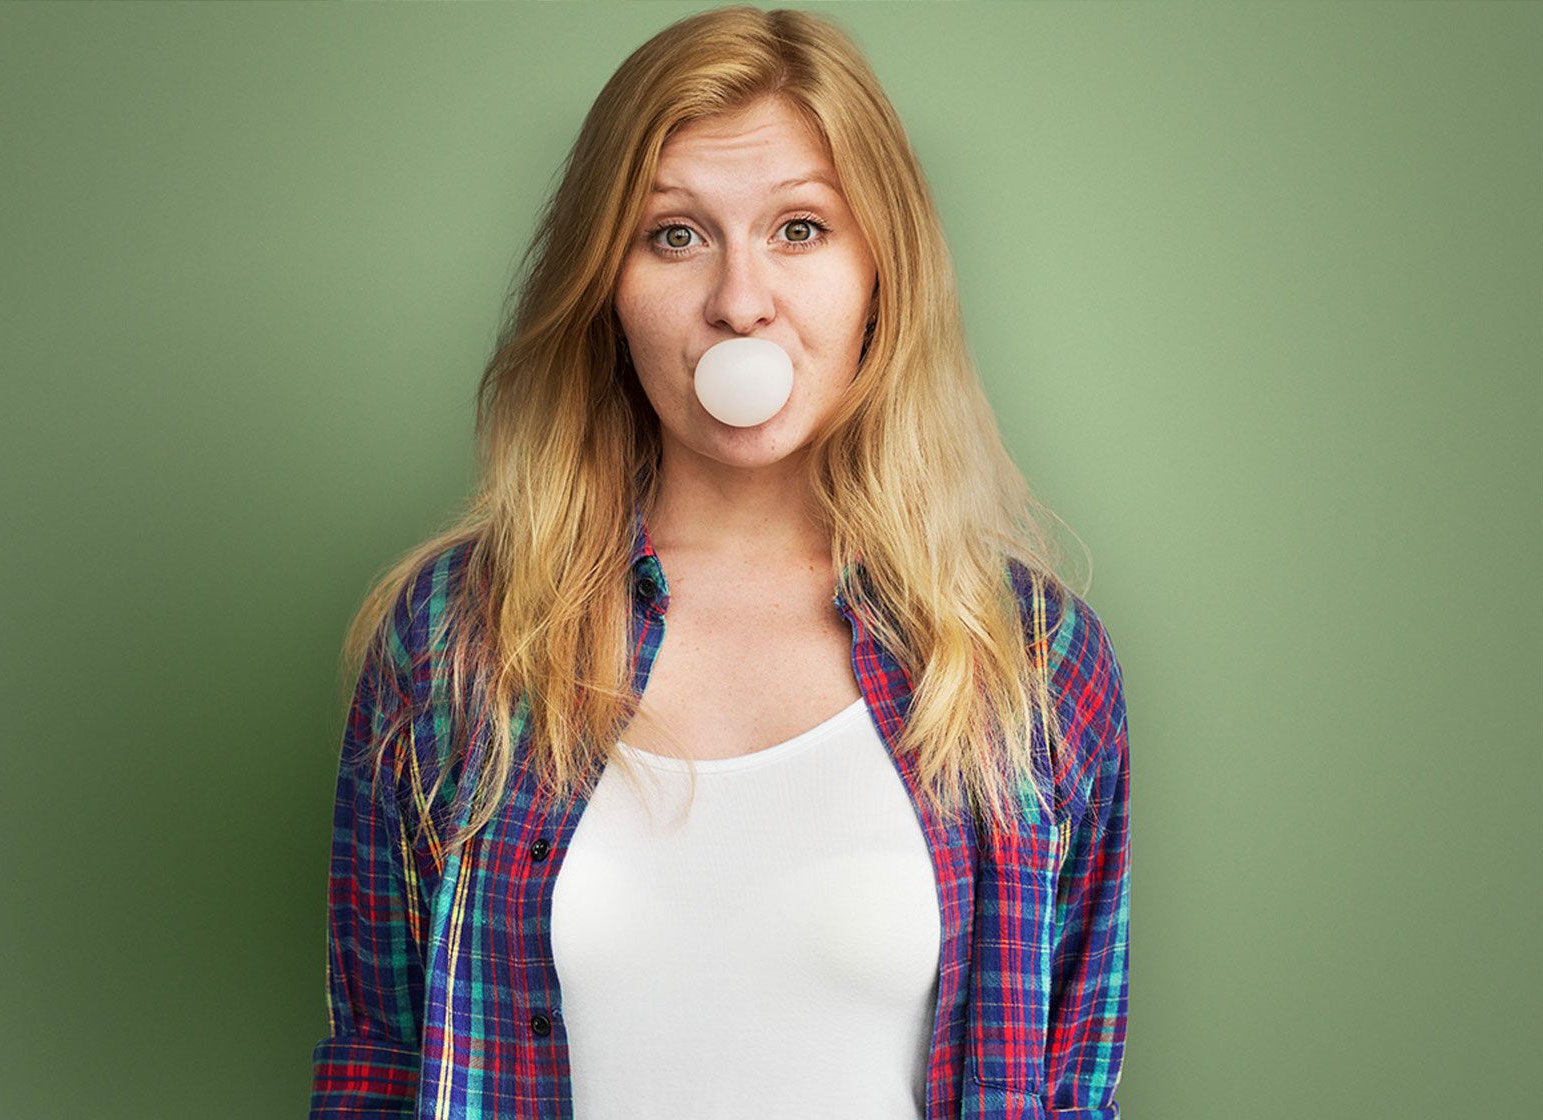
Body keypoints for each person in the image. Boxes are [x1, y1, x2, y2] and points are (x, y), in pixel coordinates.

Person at [308, 7, 1129, 1119]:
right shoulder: (456, 638)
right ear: (606, 284)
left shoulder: (1030, 663)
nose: (740, 301)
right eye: (675, 235)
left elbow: (1071, 1090)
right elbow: (374, 1067)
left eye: (799, 229)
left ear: (879, 273)